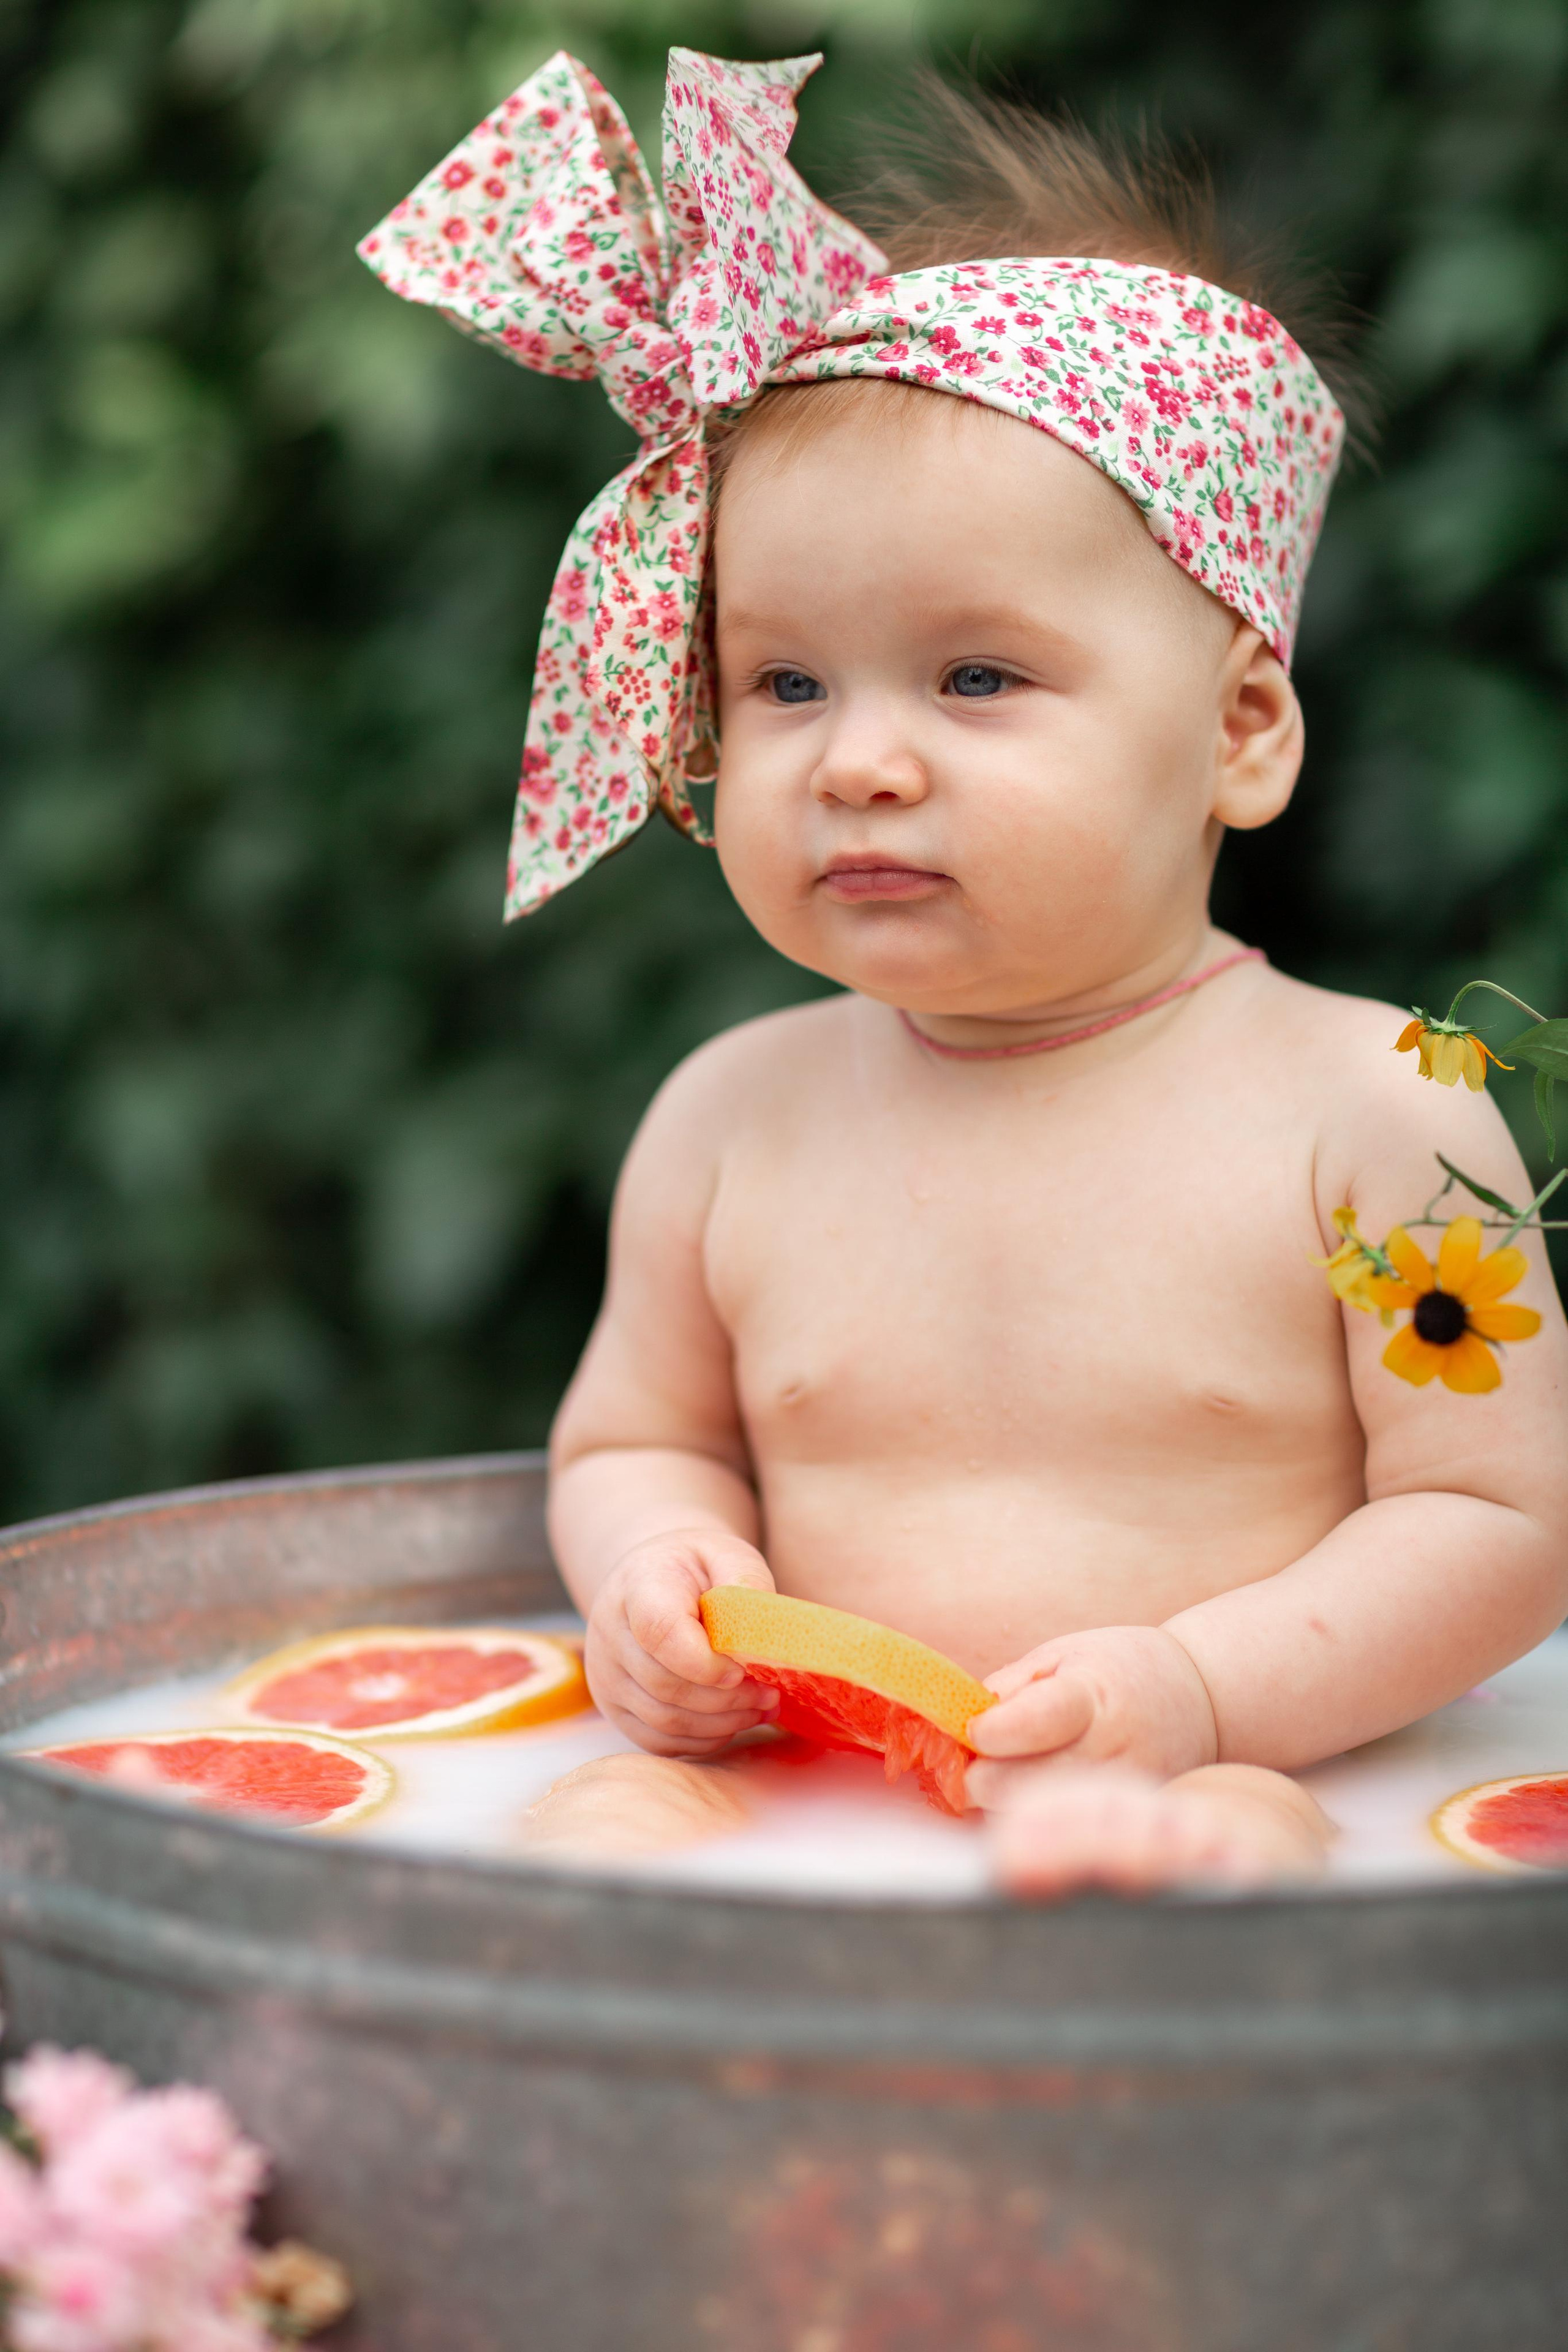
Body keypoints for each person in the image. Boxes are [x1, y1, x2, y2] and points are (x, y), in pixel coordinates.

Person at [361, 48, 1568, 1891]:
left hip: (1241, 1763)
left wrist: (1203, 1688)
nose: (857, 760)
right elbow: (634, 1441)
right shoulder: (730, 1122)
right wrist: (654, 1573)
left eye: (978, 678)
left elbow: (1499, 1517)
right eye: (783, 684)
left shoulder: (1382, 1109)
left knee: (1228, 1859)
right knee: (600, 1840)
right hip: (803, 1776)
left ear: (1242, 729)